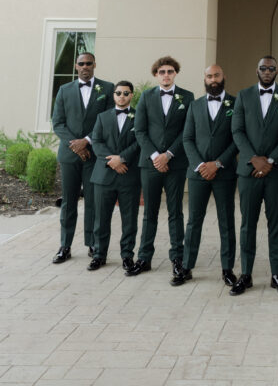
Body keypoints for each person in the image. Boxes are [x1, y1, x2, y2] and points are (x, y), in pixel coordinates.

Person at [231, 56, 278, 295]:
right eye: (263, 68)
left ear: (277, 70)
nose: (267, 71)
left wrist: (269, 161)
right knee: (248, 223)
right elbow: (237, 130)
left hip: (276, 171)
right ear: (257, 70)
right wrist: (253, 159)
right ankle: (246, 274)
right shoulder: (243, 95)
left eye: (271, 68)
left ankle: (277, 275)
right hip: (249, 171)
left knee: (275, 223)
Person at [127, 56, 194, 278]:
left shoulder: (187, 97)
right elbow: (140, 131)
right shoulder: (146, 96)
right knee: (150, 213)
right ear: (156, 74)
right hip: (150, 164)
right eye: (162, 71)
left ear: (176, 73)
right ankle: (144, 257)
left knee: (176, 211)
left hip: (175, 163)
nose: (166, 75)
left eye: (170, 71)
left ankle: (178, 258)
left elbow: (187, 131)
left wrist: (169, 155)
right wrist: (157, 156)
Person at [172, 64, 238, 286]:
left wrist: (218, 164)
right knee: (193, 222)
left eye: (216, 75)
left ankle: (227, 269)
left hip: (225, 172)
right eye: (209, 76)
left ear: (223, 76)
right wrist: (201, 164)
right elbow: (187, 138)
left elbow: (237, 139)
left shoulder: (236, 104)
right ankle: (187, 267)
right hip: (198, 173)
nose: (213, 80)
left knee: (226, 221)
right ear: (205, 79)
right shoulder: (194, 105)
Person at [51, 52, 114, 264]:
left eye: (88, 63)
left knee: (93, 202)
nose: (85, 66)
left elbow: (107, 121)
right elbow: (58, 122)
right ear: (76, 66)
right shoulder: (64, 90)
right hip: (69, 156)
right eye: (81, 64)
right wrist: (76, 146)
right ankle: (65, 245)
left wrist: (87, 140)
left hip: (94, 154)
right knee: (69, 201)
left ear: (95, 64)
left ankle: (93, 244)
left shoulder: (107, 89)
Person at [88, 80, 140, 271]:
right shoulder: (102, 117)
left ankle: (127, 256)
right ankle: (99, 255)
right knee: (101, 218)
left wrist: (123, 158)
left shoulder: (139, 116)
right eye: (118, 93)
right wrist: (112, 161)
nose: (122, 96)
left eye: (126, 93)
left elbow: (140, 141)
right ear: (114, 95)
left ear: (131, 95)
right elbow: (96, 141)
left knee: (129, 219)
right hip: (104, 175)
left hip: (129, 175)